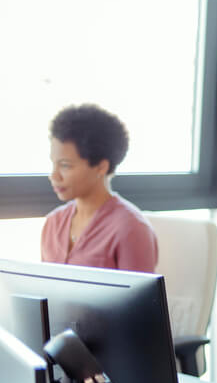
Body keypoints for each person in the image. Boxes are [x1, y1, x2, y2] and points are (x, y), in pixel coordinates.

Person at [41, 103, 158, 273]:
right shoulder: (53, 223)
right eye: (53, 164)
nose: (54, 176)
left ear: (101, 167)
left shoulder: (132, 229)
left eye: (65, 166)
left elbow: (140, 299)